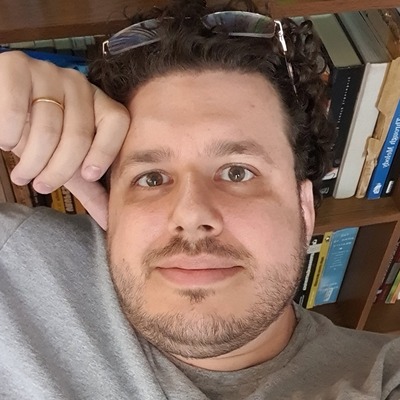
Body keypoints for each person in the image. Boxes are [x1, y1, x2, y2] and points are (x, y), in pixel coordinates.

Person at [0, 1, 399, 399]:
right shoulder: (16, 260)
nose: (191, 214)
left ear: (304, 207)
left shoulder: (380, 378)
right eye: (151, 178)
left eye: (237, 172)